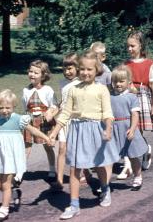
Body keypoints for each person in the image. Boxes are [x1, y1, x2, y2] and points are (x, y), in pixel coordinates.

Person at [49, 50, 119, 220]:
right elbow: (66, 113)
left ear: (97, 71)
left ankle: (105, 188)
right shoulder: (73, 89)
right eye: (82, 69)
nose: (85, 73)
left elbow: (108, 113)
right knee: (75, 168)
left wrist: (108, 128)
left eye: (89, 70)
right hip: (77, 131)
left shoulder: (102, 89)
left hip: (96, 130)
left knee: (100, 164)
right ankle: (74, 204)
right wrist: (54, 132)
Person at [0, 89, 52, 221]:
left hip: (12, 155)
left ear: (13, 106)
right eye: (1, 107)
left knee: (5, 183)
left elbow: (33, 130)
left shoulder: (19, 119)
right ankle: (15, 192)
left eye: (7, 107)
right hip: (0, 156)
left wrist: (46, 138)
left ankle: (4, 210)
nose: (4, 110)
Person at [125, 31, 153, 174]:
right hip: (127, 98)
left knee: (137, 132)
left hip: (142, 97)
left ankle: (144, 151)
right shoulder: (125, 64)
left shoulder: (150, 64)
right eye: (128, 46)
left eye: (132, 46)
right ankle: (131, 161)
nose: (129, 49)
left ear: (141, 45)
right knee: (127, 130)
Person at [18, 60, 57, 185]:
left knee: (48, 146)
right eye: (30, 71)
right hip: (30, 121)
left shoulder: (48, 90)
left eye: (36, 72)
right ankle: (20, 173)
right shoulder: (26, 90)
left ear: (43, 75)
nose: (32, 75)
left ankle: (52, 170)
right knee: (26, 146)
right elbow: (25, 107)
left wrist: (50, 113)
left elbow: (54, 105)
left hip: (44, 122)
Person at [110, 65, 148, 190]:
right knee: (109, 157)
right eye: (115, 81)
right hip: (114, 129)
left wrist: (132, 129)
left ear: (129, 82)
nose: (118, 84)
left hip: (127, 127)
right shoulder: (110, 96)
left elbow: (135, 115)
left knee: (132, 155)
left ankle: (137, 177)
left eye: (121, 81)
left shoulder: (131, 97)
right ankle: (105, 183)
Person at [50, 53, 82, 190]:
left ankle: (84, 172)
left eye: (70, 68)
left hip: (76, 120)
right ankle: (60, 180)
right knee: (62, 148)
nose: (67, 72)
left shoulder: (81, 83)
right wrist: (53, 111)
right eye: (64, 69)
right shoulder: (62, 83)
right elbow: (62, 103)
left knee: (77, 149)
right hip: (63, 120)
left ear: (78, 68)